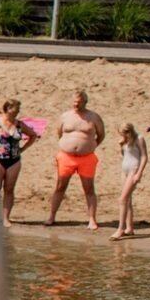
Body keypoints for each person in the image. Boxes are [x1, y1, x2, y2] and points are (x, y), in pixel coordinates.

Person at [47, 88, 108, 229]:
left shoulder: (94, 117)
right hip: (66, 156)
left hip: (86, 157)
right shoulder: (65, 116)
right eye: (74, 102)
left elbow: (101, 135)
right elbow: (59, 133)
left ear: (85, 102)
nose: (76, 105)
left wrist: (90, 145)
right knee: (60, 186)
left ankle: (92, 219)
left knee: (89, 188)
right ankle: (51, 215)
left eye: (79, 102)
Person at [0, 99, 29, 227]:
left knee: (9, 189)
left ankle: (6, 218)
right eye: (16, 108)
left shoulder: (19, 125)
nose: (18, 110)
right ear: (8, 108)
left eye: (18, 108)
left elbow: (33, 135)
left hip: (14, 160)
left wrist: (22, 149)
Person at [115, 123, 148, 239]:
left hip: (134, 169)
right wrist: (120, 146)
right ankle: (130, 228)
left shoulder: (139, 138)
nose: (123, 135)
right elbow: (125, 155)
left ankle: (120, 229)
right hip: (124, 169)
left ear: (129, 131)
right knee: (127, 199)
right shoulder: (124, 140)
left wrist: (139, 173)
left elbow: (144, 156)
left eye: (124, 133)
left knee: (122, 199)